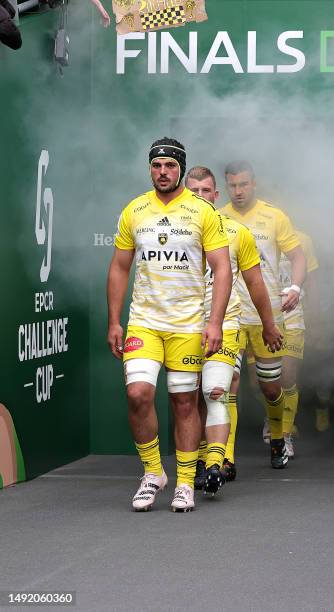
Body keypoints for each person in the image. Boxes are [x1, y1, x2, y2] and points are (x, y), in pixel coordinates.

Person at [107, 138, 232, 512]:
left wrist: (214, 323)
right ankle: (152, 473)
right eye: (157, 165)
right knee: (138, 394)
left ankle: (184, 482)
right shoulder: (135, 209)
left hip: (188, 325)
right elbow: (119, 267)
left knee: (183, 401)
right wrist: (115, 320)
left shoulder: (202, 211)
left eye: (170, 166)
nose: (163, 172)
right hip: (144, 321)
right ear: (150, 169)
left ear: (181, 168)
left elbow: (222, 269)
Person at [185, 166, 283, 488]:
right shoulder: (170, 230)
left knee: (221, 389)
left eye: (206, 192)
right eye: (193, 191)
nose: (200, 197)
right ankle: (200, 458)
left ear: (216, 196)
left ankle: (222, 458)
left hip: (226, 323)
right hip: (182, 326)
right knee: (191, 397)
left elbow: (255, 283)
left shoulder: (235, 232)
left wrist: (269, 324)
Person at [220, 161, 306, 469]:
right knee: (227, 383)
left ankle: (280, 436)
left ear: (254, 184)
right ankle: (225, 456)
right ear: (226, 187)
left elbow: (298, 256)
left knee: (271, 386)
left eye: (243, 184)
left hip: (267, 314)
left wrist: (295, 286)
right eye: (233, 185)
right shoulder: (218, 216)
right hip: (230, 315)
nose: (239, 190)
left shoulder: (274, 216)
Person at [260, 228, 320, 458]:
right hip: (259, 316)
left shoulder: (303, 239)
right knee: (262, 383)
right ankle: (273, 413)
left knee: (286, 375)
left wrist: (315, 317)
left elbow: (312, 280)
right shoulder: (254, 234)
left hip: (292, 315)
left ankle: (284, 433)